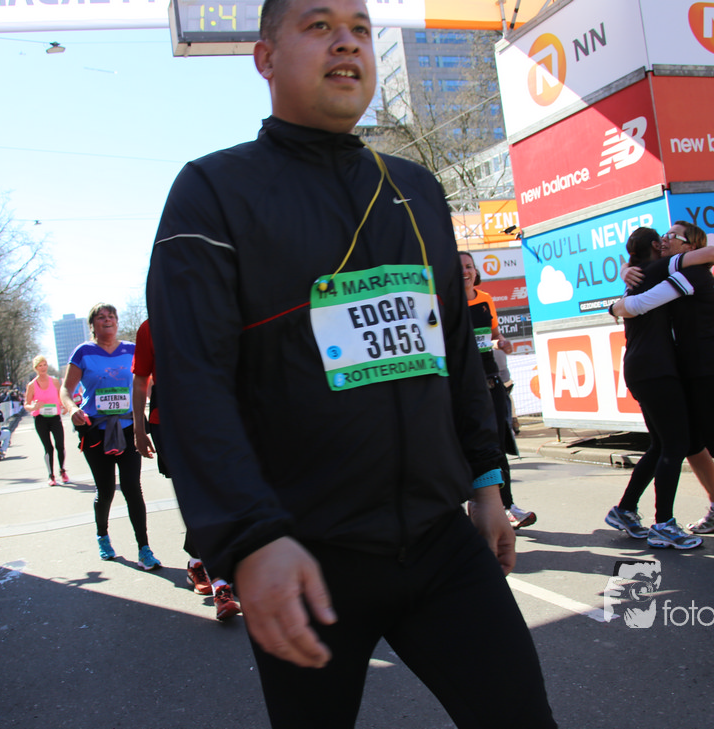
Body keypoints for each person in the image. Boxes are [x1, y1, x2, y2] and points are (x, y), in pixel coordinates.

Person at [146, 1, 557, 726]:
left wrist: (486, 481)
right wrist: (251, 540)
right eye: (319, 26)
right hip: (304, 559)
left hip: (439, 545)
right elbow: (193, 385)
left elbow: (454, 353)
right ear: (265, 58)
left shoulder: (416, 188)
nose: (347, 42)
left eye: (361, 29)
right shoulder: (212, 193)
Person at [612, 224, 714, 544]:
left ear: (690, 246)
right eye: (663, 236)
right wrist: (625, 270)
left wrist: (615, 306)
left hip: (706, 369)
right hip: (684, 370)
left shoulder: (691, 274)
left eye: (672, 237)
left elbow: (639, 303)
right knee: (689, 444)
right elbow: (640, 274)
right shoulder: (671, 271)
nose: (664, 240)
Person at [132, 321, 241, 620]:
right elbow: (140, 379)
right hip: (167, 424)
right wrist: (139, 429)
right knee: (199, 497)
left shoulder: (209, 314)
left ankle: (196, 562)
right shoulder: (150, 327)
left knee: (216, 495)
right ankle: (221, 584)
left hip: (210, 418)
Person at [605, 227, 704, 549]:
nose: (666, 243)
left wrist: (625, 269)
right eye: (662, 240)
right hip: (655, 369)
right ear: (653, 245)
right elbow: (710, 254)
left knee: (661, 445)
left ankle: (625, 510)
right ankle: (664, 524)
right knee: (675, 445)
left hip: (641, 367)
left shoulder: (635, 276)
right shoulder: (657, 269)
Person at [61, 304, 161, 570]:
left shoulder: (131, 349)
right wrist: (72, 409)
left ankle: (144, 549)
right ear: (92, 325)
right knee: (105, 491)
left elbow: (147, 383)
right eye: (101, 317)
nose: (107, 320)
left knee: (132, 488)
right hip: (96, 430)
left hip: (129, 428)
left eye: (111, 317)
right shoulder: (83, 352)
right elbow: (66, 390)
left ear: (117, 322)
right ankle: (103, 537)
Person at [460, 251, 535, 528]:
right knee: (468, 446)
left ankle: (507, 506)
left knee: (497, 445)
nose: (465, 272)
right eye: (459, 268)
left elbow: (493, 335)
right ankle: (472, 507)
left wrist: (502, 342)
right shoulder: (446, 303)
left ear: (476, 271)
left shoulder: (485, 299)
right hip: (464, 384)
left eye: (469, 266)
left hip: (490, 378)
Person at [24, 355, 69, 486]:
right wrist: (33, 407)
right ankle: (51, 475)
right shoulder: (32, 385)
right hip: (40, 419)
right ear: (36, 368)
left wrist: (65, 406)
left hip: (55, 417)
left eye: (44, 365)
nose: (43, 368)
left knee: (60, 445)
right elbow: (26, 404)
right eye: (40, 366)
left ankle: (62, 470)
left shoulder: (54, 381)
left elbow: (61, 397)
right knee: (48, 447)